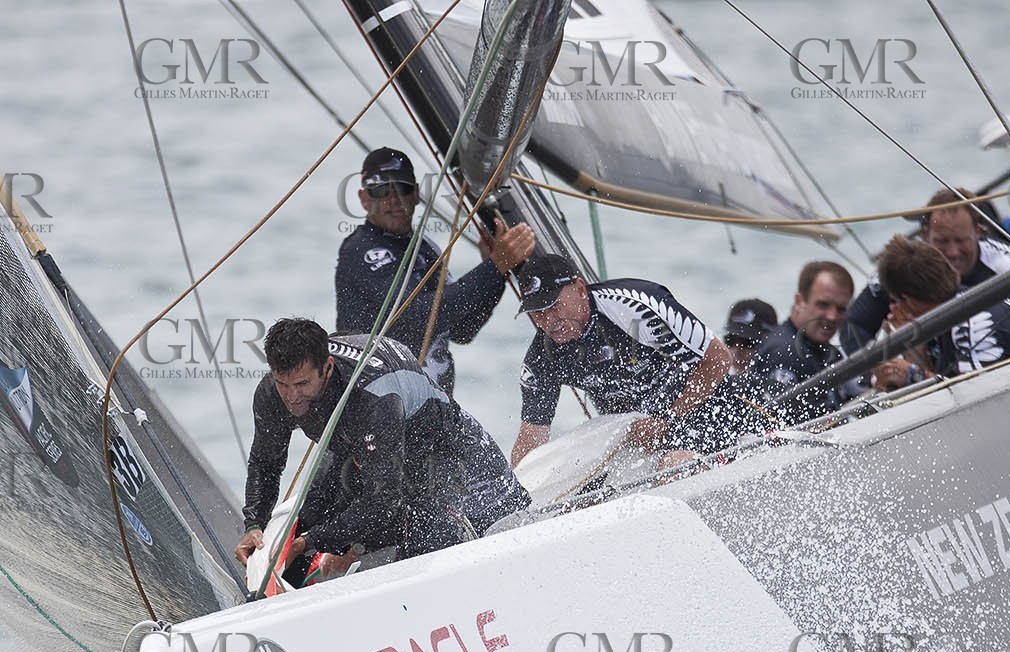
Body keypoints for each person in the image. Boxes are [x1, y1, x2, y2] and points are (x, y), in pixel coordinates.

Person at [235, 318, 528, 581]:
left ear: (328, 368)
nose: (292, 396)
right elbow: (266, 462)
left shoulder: (373, 398)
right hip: (359, 444)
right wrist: (254, 524)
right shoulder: (272, 393)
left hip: (438, 444)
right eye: (283, 384)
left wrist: (310, 542)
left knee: (425, 539)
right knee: (306, 522)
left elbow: (383, 502)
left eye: (302, 384)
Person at [335, 147, 535, 396]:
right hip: (378, 402)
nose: (393, 199)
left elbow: (463, 329)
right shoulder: (361, 251)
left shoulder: (426, 249)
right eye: (380, 190)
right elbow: (418, 314)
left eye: (402, 188)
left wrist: (497, 274)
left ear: (416, 195)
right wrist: (495, 266)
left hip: (432, 407)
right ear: (364, 199)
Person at [509, 253, 737, 467]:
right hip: (641, 436)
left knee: (674, 464)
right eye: (538, 313)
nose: (549, 321)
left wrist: (668, 420)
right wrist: (515, 488)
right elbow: (532, 436)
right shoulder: (542, 358)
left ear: (580, 289)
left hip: (705, 410)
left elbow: (718, 359)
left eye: (554, 307)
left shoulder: (634, 309)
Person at [840, 188, 1010, 353]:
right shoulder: (903, 269)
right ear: (925, 234)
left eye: (961, 240)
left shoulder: (1009, 267)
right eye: (941, 241)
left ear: (979, 231)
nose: (951, 252)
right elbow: (854, 326)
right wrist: (876, 375)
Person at [867, 236, 1010, 390]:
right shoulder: (961, 304)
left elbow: (978, 398)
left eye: (895, 301)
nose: (894, 309)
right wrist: (914, 343)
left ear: (908, 300)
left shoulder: (971, 324)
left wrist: (914, 376)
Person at [744, 262, 856, 426]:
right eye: (823, 305)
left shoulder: (827, 351)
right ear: (799, 301)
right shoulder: (784, 354)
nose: (832, 316)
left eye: (840, 309)